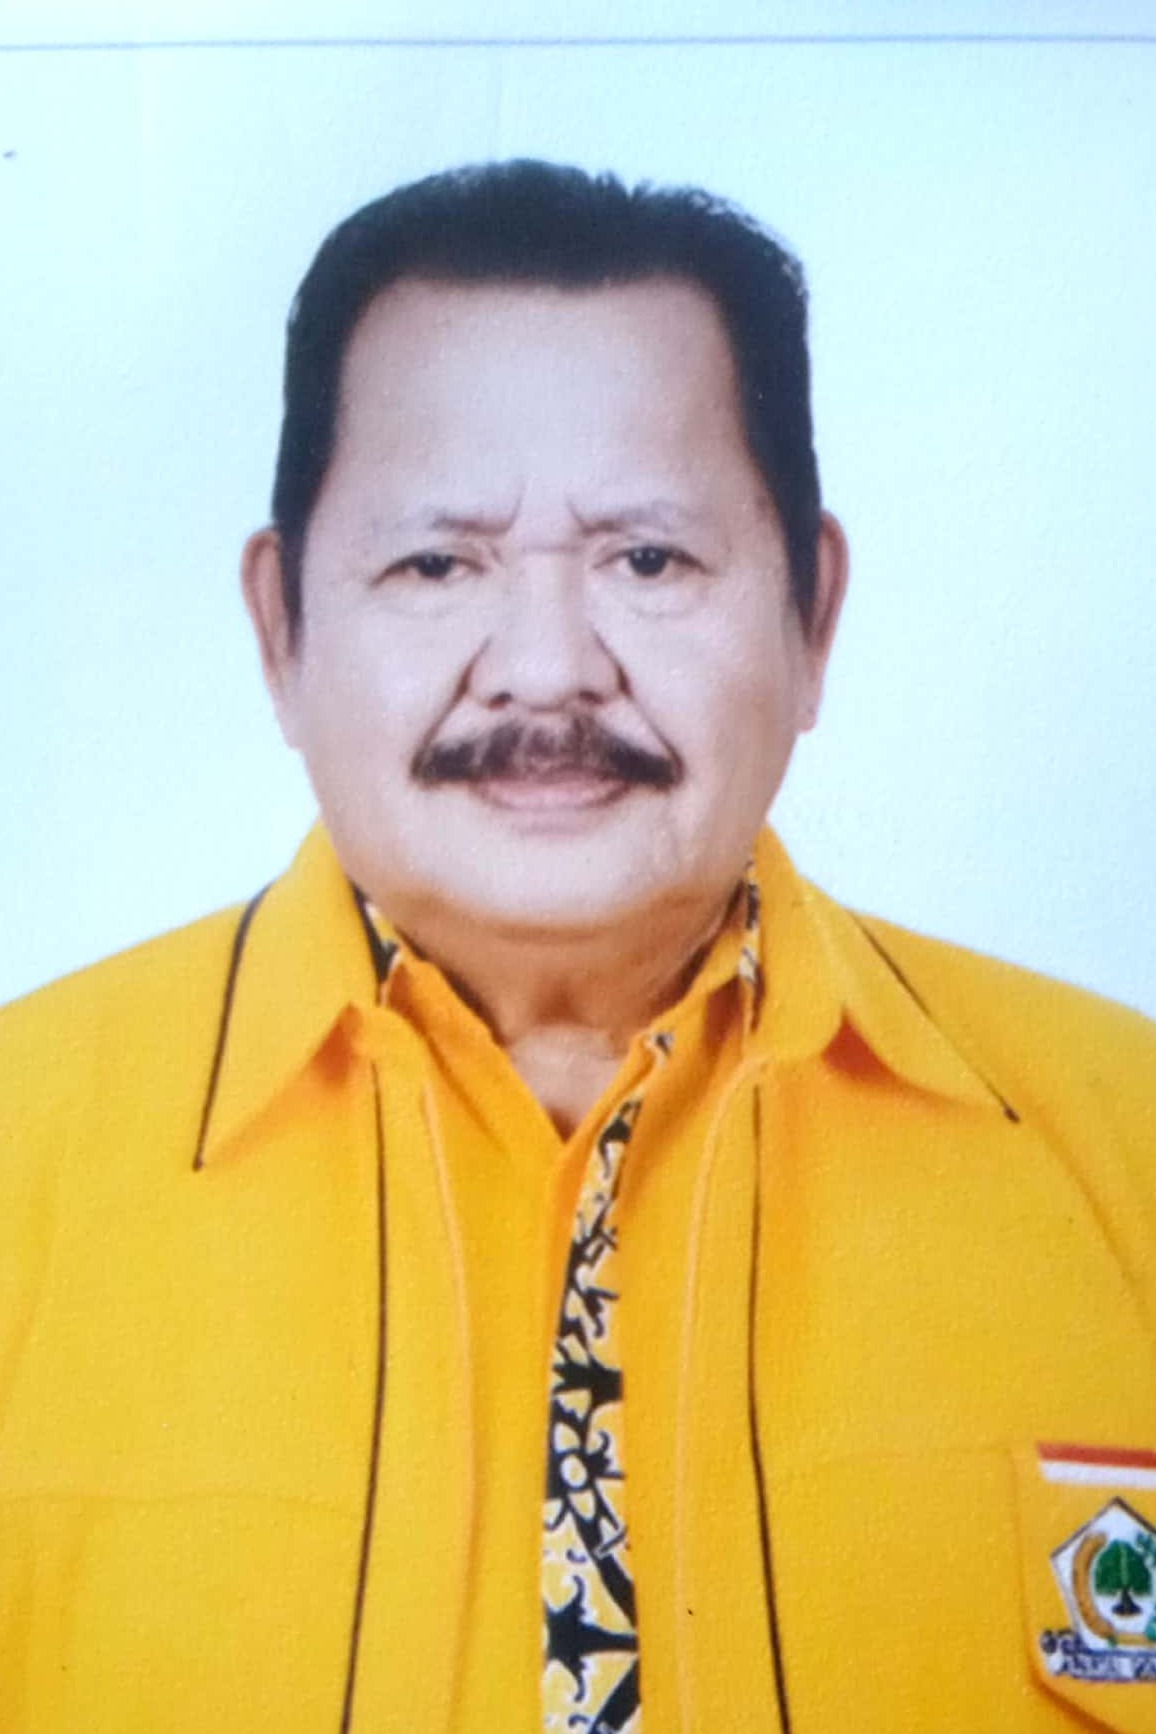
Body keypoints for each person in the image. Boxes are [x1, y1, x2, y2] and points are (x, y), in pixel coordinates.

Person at [1, 160, 1153, 1734]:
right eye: (436, 563)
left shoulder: (1125, 1150)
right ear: (281, 630)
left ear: (813, 615)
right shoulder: (22, 1154)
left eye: (648, 559)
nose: (546, 671)